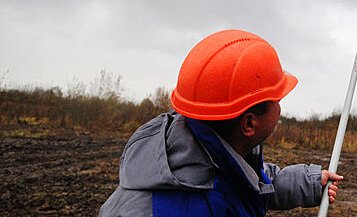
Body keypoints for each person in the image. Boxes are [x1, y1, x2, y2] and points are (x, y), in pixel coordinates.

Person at [99, 29, 343, 217]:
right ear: (249, 125)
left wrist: (308, 182)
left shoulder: (203, 150)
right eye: (276, 98)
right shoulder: (187, 208)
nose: (281, 105)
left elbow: (248, 184)